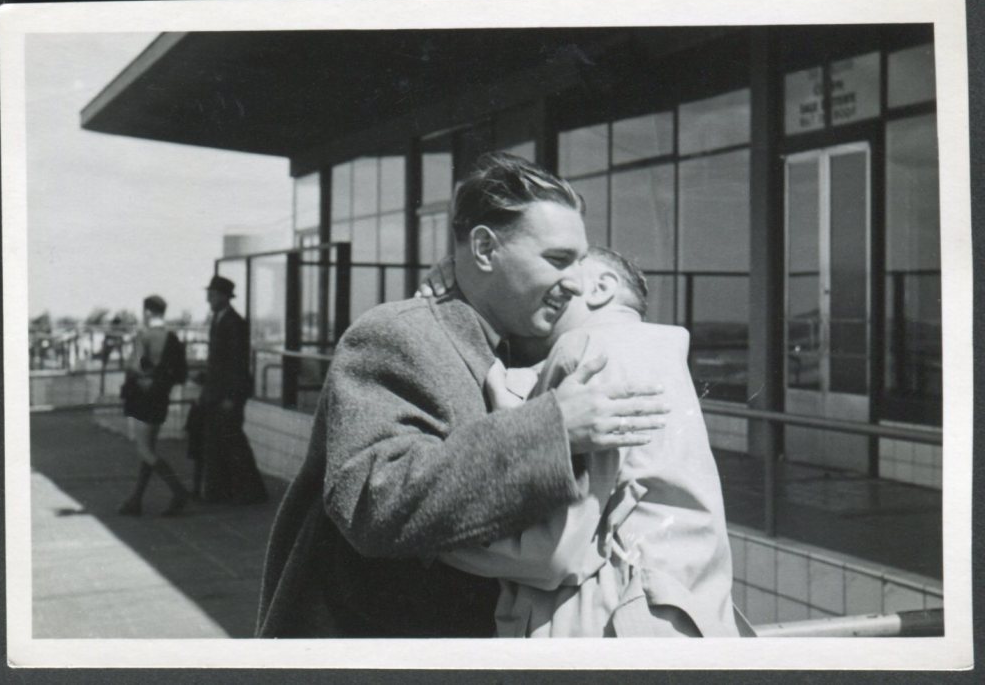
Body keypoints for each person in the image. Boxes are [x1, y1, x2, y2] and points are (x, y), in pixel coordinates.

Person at [256, 153, 668, 638]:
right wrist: (552, 431)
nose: (576, 283)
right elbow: (373, 501)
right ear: (485, 248)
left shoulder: (514, 342)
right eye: (558, 260)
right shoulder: (395, 334)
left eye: (580, 261)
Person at [438, 247, 739, 637]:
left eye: (564, 271)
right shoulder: (654, 356)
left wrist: (433, 536)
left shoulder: (585, 348)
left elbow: (551, 552)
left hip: (603, 627)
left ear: (600, 287)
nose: (546, 285)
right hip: (677, 623)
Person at [118, 294, 190, 517]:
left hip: (143, 398)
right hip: (161, 397)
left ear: (148, 312)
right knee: (149, 449)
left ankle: (178, 490)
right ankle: (136, 499)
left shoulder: (145, 335)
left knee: (144, 450)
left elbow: (135, 366)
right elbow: (181, 373)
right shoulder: (172, 338)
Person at [199, 275, 268, 504]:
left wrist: (231, 396)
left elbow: (237, 363)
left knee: (232, 440)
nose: (208, 299)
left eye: (212, 295)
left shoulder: (234, 322)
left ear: (223, 297)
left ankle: (251, 491)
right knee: (218, 441)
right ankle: (222, 491)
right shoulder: (219, 320)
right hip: (216, 392)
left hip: (228, 394)